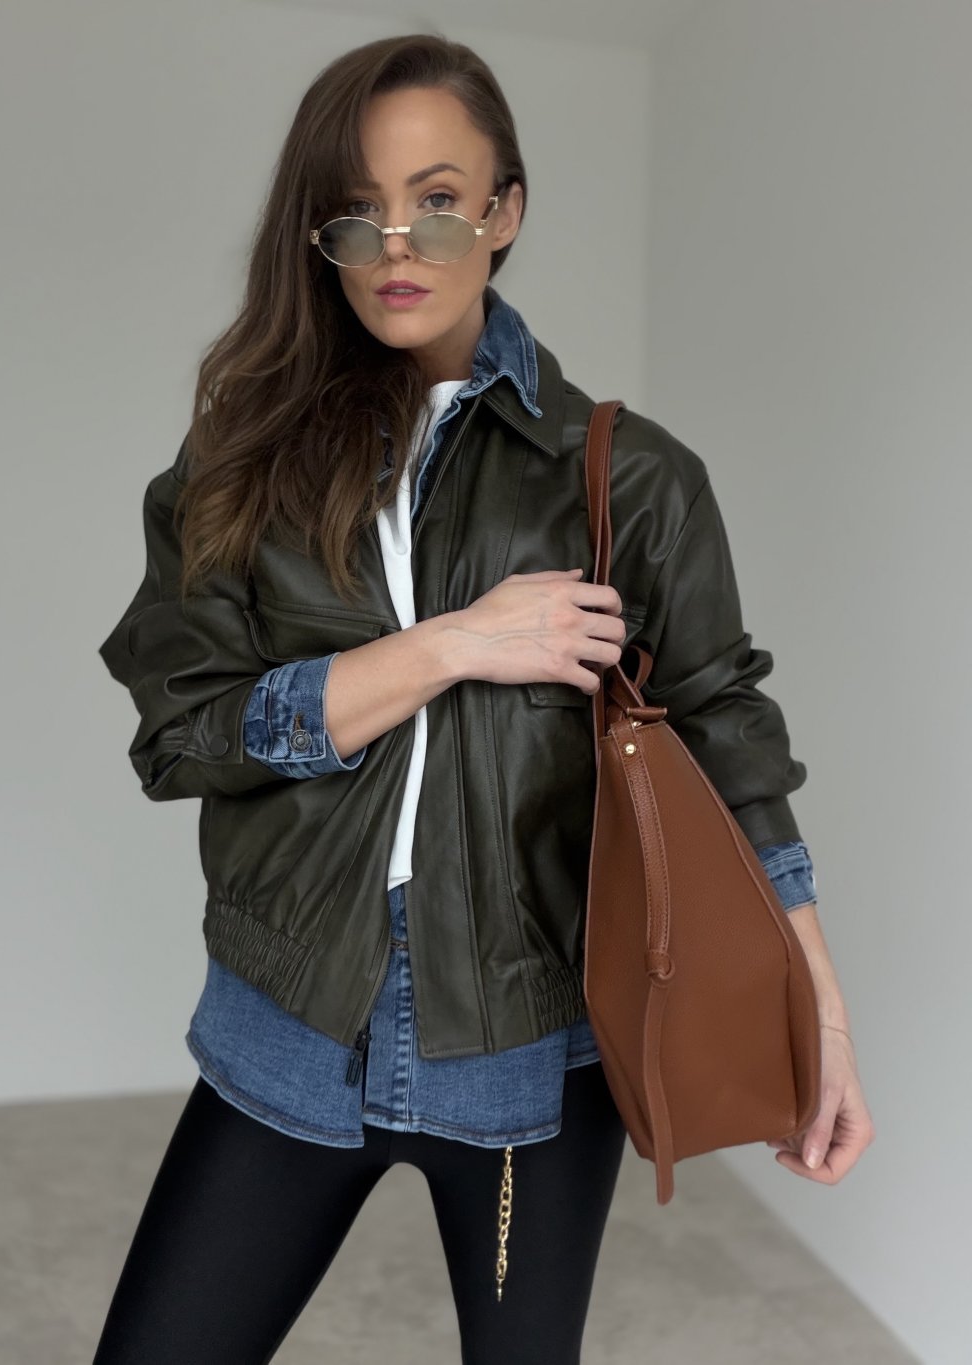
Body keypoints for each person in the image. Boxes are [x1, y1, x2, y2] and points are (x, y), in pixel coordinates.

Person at [92, 31, 874, 1365]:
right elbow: (183, 737)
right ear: (320, 235)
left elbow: (729, 745)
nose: (399, 244)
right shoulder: (240, 464)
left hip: (529, 1061)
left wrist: (822, 1024)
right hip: (289, 1030)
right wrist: (452, 644)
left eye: (440, 200)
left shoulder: (629, 479)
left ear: (505, 211)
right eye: (360, 210)